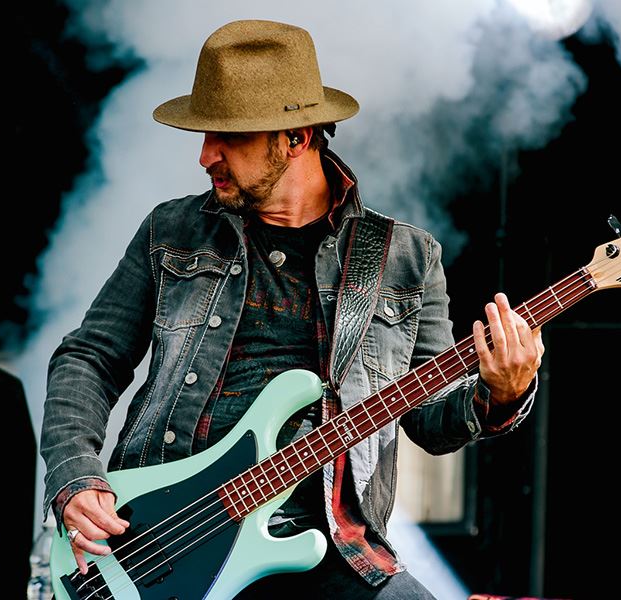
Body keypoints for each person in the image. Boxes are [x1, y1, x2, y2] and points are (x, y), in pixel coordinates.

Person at [39, 19, 544, 599]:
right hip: (161, 540)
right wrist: (76, 476)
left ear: (297, 136)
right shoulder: (171, 231)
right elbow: (87, 358)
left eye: (230, 137)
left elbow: (431, 422)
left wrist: (501, 393)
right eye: (206, 135)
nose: (206, 156)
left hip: (332, 550)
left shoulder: (405, 258)